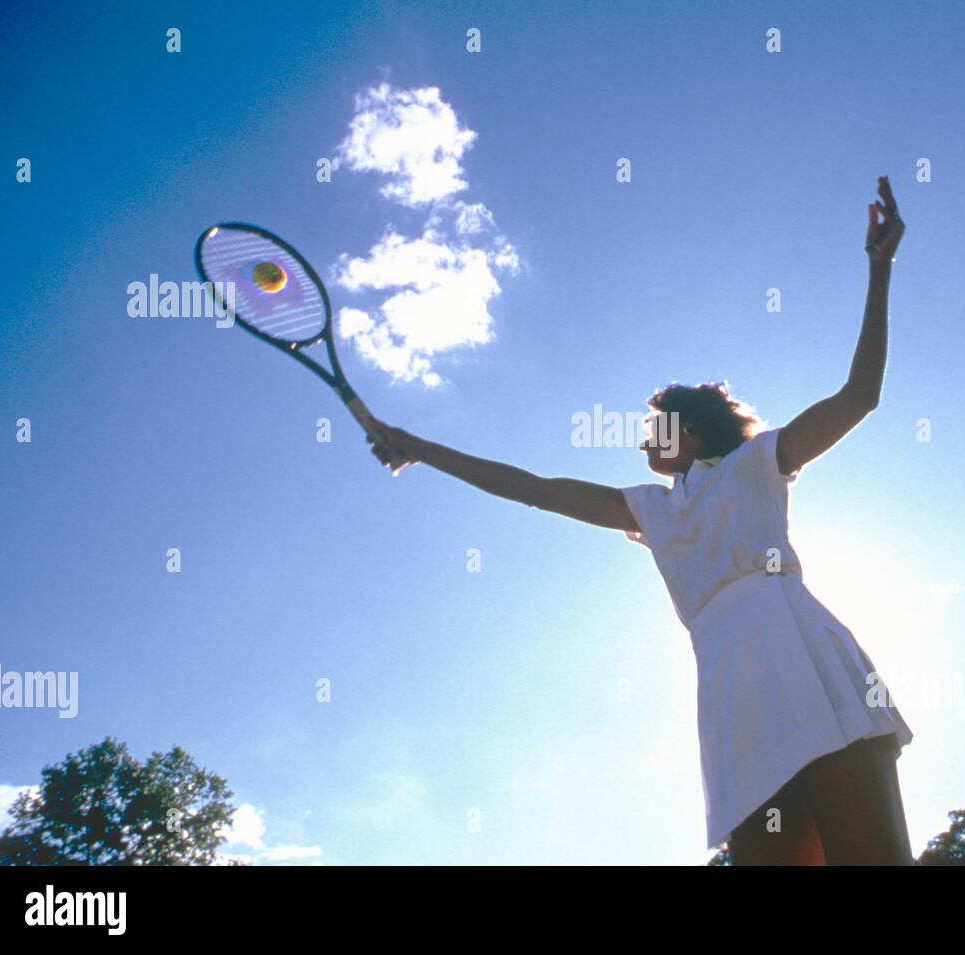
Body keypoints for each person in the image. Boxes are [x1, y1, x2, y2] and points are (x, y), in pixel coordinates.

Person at [367, 176, 913, 865]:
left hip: (802, 650)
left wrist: (880, 268)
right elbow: (533, 488)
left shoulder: (756, 462)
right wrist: (421, 447)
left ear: (692, 428)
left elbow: (859, 395)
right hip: (729, 692)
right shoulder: (651, 509)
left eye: (655, 424)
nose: (642, 436)